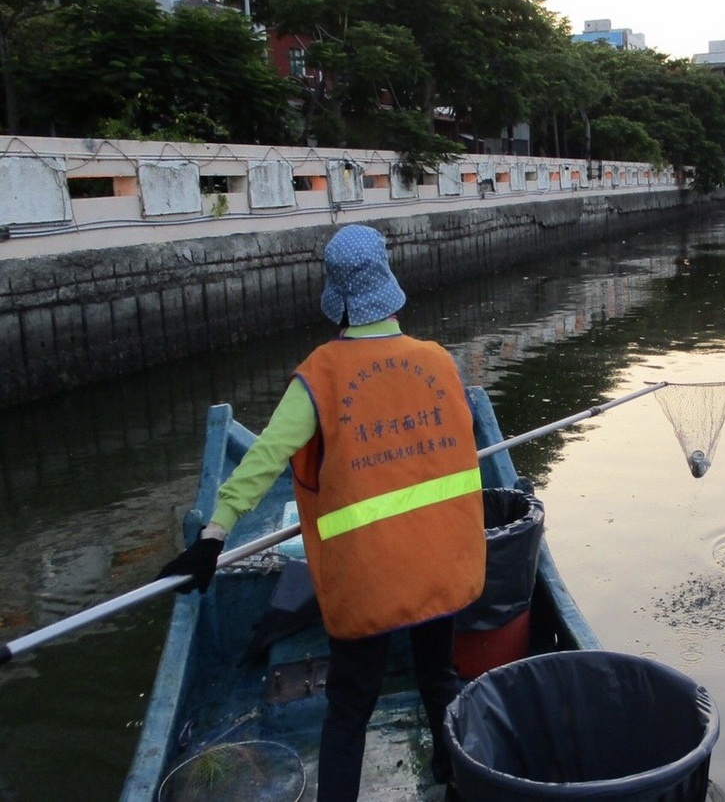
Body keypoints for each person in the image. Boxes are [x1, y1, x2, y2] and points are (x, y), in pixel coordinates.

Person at [158, 223, 486, 801]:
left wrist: (213, 536)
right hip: (442, 564)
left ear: (336, 298)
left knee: (350, 708)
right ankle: (454, 780)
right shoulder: (439, 362)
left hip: (368, 580)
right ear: (388, 286)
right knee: (440, 679)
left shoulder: (321, 376)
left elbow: (264, 459)